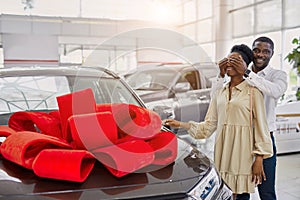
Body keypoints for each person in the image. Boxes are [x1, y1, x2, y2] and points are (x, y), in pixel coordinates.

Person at [164, 44, 273, 200]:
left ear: (245, 65)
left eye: (236, 60)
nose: (230, 63)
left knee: (241, 196)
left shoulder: (253, 92)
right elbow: (209, 126)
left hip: (243, 154)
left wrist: (259, 159)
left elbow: (262, 127)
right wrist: (181, 125)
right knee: (224, 194)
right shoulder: (220, 92)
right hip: (223, 154)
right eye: (228, 59)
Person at [214, 37, 288, 200]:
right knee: (240, 190)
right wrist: (221, 75)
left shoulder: (277, 75)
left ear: (272, 54)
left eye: (266, 51)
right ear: (251, 51)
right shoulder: (236, 77)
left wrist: (247, 72)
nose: (260, 54)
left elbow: (275, 91)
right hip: (241, 140)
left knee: (266, 190)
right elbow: (217, 100)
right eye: (257, 50)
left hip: (264, 140)